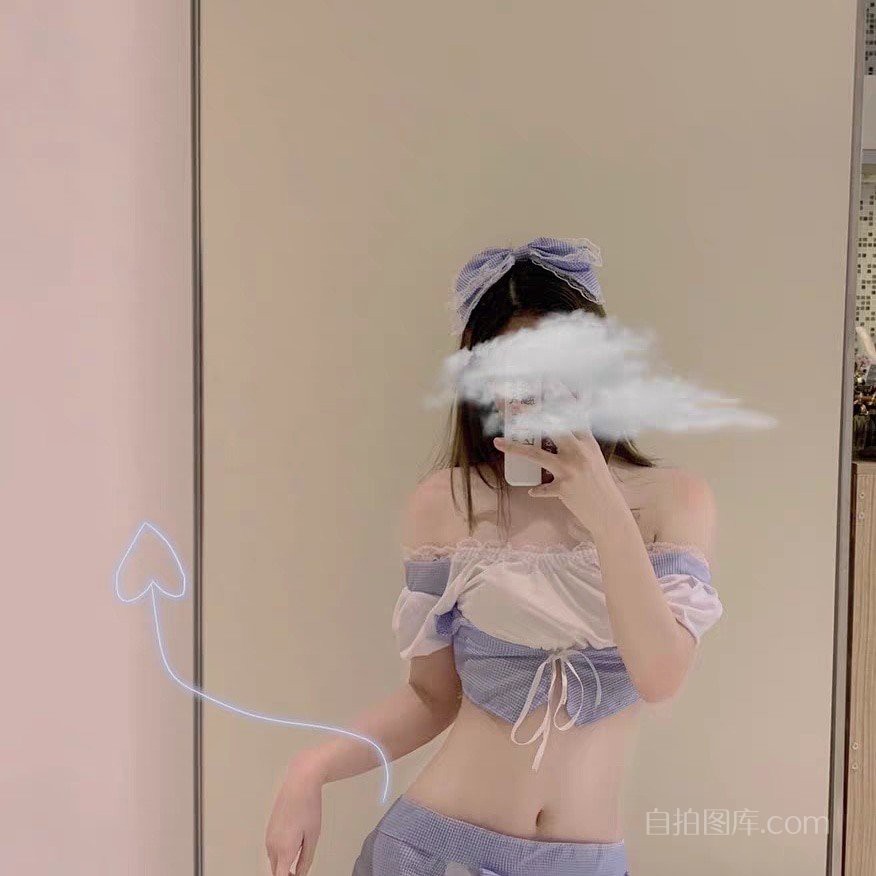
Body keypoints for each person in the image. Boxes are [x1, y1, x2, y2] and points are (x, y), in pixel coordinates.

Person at [265, 237, 724, 876]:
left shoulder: (671, 501)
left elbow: (661, 675)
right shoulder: (446, 504)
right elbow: (431, 696)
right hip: (433, 853)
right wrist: (308, 770)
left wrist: (605, 512)